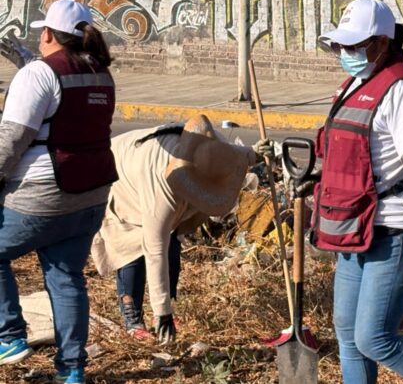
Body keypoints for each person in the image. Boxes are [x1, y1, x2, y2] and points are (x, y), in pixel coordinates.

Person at [315, 0, 403, 384]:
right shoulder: (354, 84)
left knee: (373, 337)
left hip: (394, 229)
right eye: (341, 46)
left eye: (353, 46)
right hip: (353, 229)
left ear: (380, 42)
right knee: (346, 334)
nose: (345, 53)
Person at [0, 0, 118, 384]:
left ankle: (10, 338)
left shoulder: (38, 73)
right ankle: (71, 370)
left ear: (49, 33)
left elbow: (13, 138)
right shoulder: (101, 73)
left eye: (42, 33)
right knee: (66, 276)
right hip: (91, 195)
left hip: (43, 195)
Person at [91, 115, 271, 343]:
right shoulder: (163, 187)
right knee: (132, 249)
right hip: (119, 174)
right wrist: (161, 313)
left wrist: (256, 153)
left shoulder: (211, 147)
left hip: (145, 164)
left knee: (172, 245)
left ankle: (170, 304)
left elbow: (236, 156)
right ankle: (133, 320)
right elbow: (154, 249)